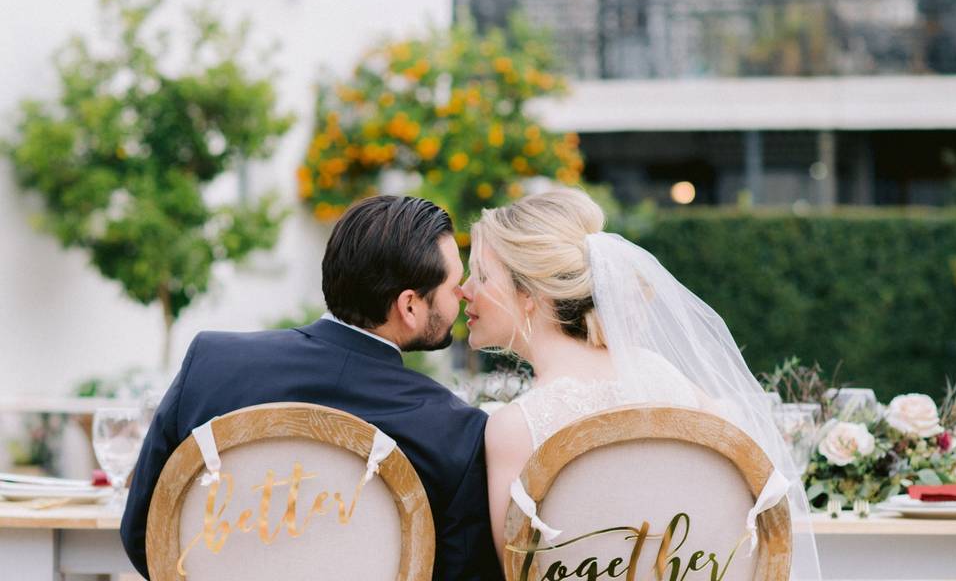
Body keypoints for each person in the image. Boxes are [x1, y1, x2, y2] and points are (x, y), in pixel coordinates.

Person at [121, 195, 502, 581]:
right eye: (455, 285)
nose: (465, 293)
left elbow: (144, 534)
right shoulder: (454, 432)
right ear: (409, 306)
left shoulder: (210, 364)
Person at [461, 188, 821, 580]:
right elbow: (749, 518)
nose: (464, 289)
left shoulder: (515, 428)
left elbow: (519, 572)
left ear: (528, 295)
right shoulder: (667, 379)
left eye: (480, 275)